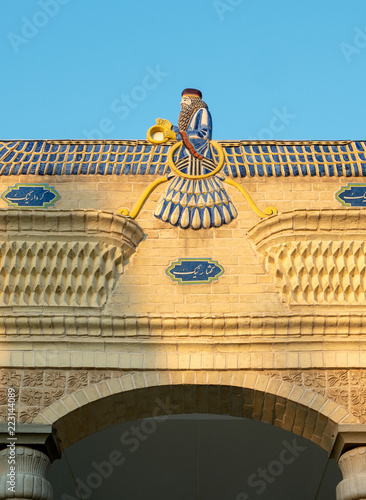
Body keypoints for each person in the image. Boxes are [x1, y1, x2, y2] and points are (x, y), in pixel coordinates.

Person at [154, 89, 237, 229]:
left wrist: (176, 136)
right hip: (185, 160)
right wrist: (171, 128)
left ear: (193, 101)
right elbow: (187, 133)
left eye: (185, 100)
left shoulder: (202, 112)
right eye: (181, 100)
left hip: (200, 160)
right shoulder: (191, 115)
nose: (181, 103)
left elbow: (203, 134)